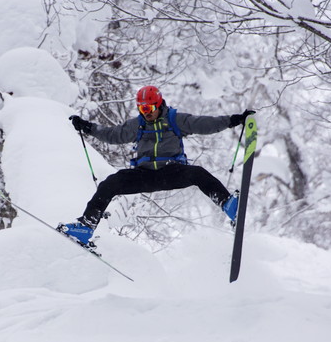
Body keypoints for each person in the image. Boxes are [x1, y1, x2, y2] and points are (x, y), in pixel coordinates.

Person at [58, 85, 255, 246]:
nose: (147, 113)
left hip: (171, 171)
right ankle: (86, 227)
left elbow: (204, 124)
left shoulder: (174, 119)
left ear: (159, 105)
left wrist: (233, 120)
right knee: (110, 183)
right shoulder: (137, 124)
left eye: (150, 108)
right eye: (143, 109)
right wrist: (88, 127)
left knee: (198, 173)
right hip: (144, 175)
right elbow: (113, 135)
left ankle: (229, 206)